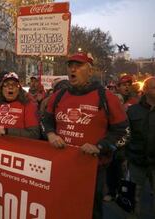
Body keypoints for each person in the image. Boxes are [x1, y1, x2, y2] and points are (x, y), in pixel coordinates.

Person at [41, 52, 129, 219]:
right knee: (60, 207)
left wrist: (99, 147)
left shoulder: (107, 97)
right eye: (70, 66)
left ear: (90, 71)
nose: (72, 69)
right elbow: (45, 121)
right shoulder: (59, 95)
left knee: (88, 212)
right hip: (61, 165)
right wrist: (51, 134)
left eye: (78, 66)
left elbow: (124, 132)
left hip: (92, 169)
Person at [125, 77, 155, 218]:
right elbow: (125, 135)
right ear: (146, 90)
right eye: (154, 87)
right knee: (133, 199)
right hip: (137, 162)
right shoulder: (133, 111)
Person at [0, 72, 40, 139]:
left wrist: (7, 132)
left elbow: (34, 133)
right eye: (6, 84)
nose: (10, 87)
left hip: (16, 148)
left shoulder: (28, 105)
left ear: (19, 90)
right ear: (1, 89)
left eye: (14, 84)